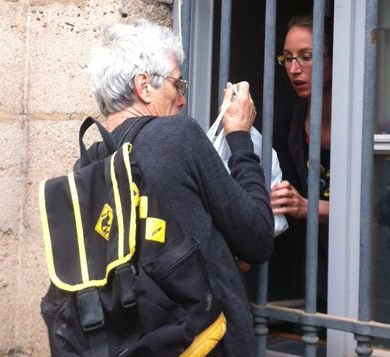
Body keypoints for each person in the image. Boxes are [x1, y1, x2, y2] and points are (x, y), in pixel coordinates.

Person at [89, 19, 274, 356]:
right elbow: (258, 238)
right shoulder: (177, 136)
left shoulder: (89, 163)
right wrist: (240, 138)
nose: (183, 99)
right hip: (202, 345)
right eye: (178, 84)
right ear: (144, 86)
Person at [270, 15, 333, 314]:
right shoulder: (289, 123)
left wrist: (306, 207)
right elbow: (291, 195)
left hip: (375, 265)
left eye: (306, 57)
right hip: (319, 264)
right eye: (288, 58)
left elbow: (376, 210)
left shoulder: (368, 121)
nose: (294, 70)